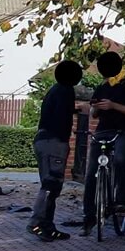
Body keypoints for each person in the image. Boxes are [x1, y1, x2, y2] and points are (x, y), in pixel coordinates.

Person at [80, 50, 125, 236]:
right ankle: (89, 217)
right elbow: (94, 114)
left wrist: (113, 106)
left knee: (120, 160)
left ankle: (122, 202)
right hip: (103, 131)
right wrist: (95, 109)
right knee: (90, 174)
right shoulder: (102, 87)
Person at [27, 60, 83, 241]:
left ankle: (47, 226)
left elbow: (57, 111)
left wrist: (74, 110)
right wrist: (63, 138)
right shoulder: (66, 91)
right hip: (54, 142)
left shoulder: (55, 90)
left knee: (51, 184)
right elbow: (60, 116)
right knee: (51, 184)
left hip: (43, 139)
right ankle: (36, 222)